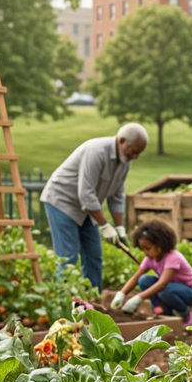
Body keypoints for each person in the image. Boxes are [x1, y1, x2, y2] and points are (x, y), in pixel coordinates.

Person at [41, 123, 148, 290]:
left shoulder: (125, 160)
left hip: (87, 209)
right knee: (68, 257)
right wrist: (105, 225)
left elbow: (117, 196)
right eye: (134, 151)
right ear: (121, 141)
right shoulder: (96, 151)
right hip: (63, 202)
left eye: (138, 153)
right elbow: (86, 193)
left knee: (94, 255)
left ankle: (92, 303)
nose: (135, 157)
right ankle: (63, 303)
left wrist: (119, 228)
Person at [111, 219, 192, 325]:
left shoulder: (173, 257)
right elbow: (136, 278)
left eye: (148, 249)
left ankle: (184, 312)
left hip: (190, 292)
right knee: (144, 280)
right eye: (142, 249)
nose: (145, 252)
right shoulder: (150, 259)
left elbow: (162, 284)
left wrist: (138, 298)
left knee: (164, 291)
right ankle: (163, 311)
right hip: (169, 289)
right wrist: (121, 294)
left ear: (160, 245)